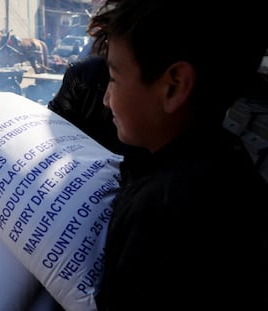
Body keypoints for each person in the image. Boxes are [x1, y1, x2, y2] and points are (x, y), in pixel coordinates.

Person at [86, 0, 268, 310]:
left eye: (114, 79)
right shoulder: (230, 160)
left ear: (174, 86)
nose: (105, 99)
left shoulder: (160, 210)